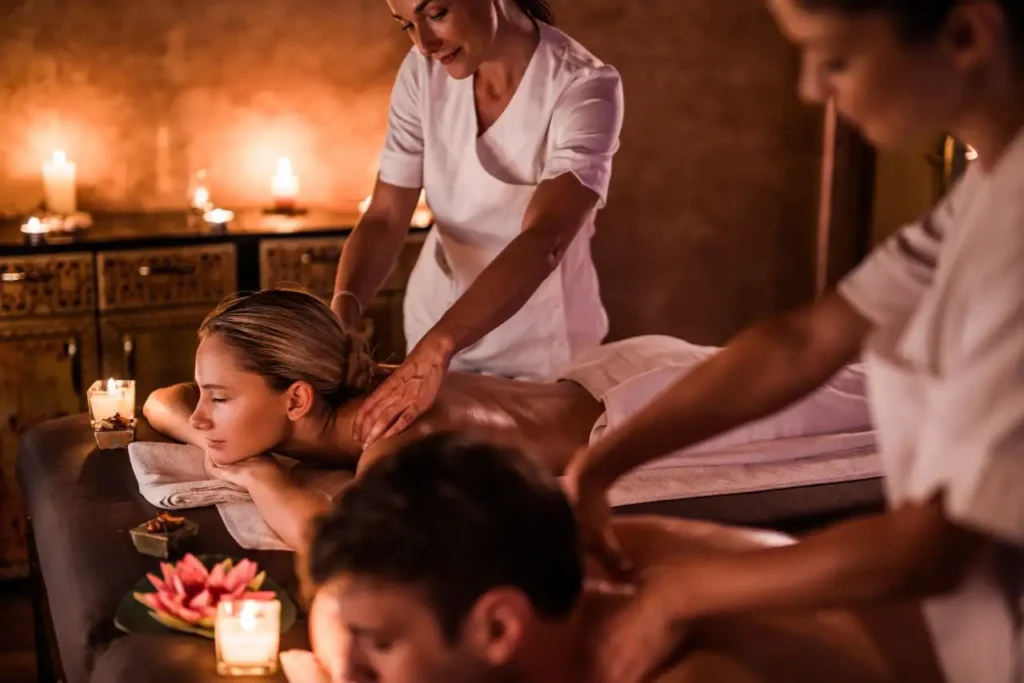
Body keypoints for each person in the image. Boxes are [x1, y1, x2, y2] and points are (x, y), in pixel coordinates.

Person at [562, 2, 1024, 683]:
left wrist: (679, 594)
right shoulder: (989, 188)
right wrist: (601, 465)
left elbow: (937, 545)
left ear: (965, 35)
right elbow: (805, 339)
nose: (811, 90)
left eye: (835, 58)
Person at [143, 287, 872, 551]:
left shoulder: (397, 433)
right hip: (602, 376)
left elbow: (335, 538)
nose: (201, 415)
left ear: (296, 399)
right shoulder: (334, 404)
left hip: (642, 406)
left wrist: (259, 468)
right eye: (209, 396)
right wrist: (218, 426)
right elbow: (161, 400)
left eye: (222, 397)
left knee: (889, 395)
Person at [287, 432, 943, 683]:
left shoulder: (685, 671)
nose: (348, 675)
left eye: (376, 656)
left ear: (497, 627)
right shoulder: (556, 555)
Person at [333, 0, 624, 448]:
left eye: (437, 14)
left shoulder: (583, 86)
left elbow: (545, 238)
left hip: (539, 345)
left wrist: (439, 348)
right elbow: (386, 215)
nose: (424, 44)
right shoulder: (420, 73)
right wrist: (341, 318)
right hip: (435, 318)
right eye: (406, 26)